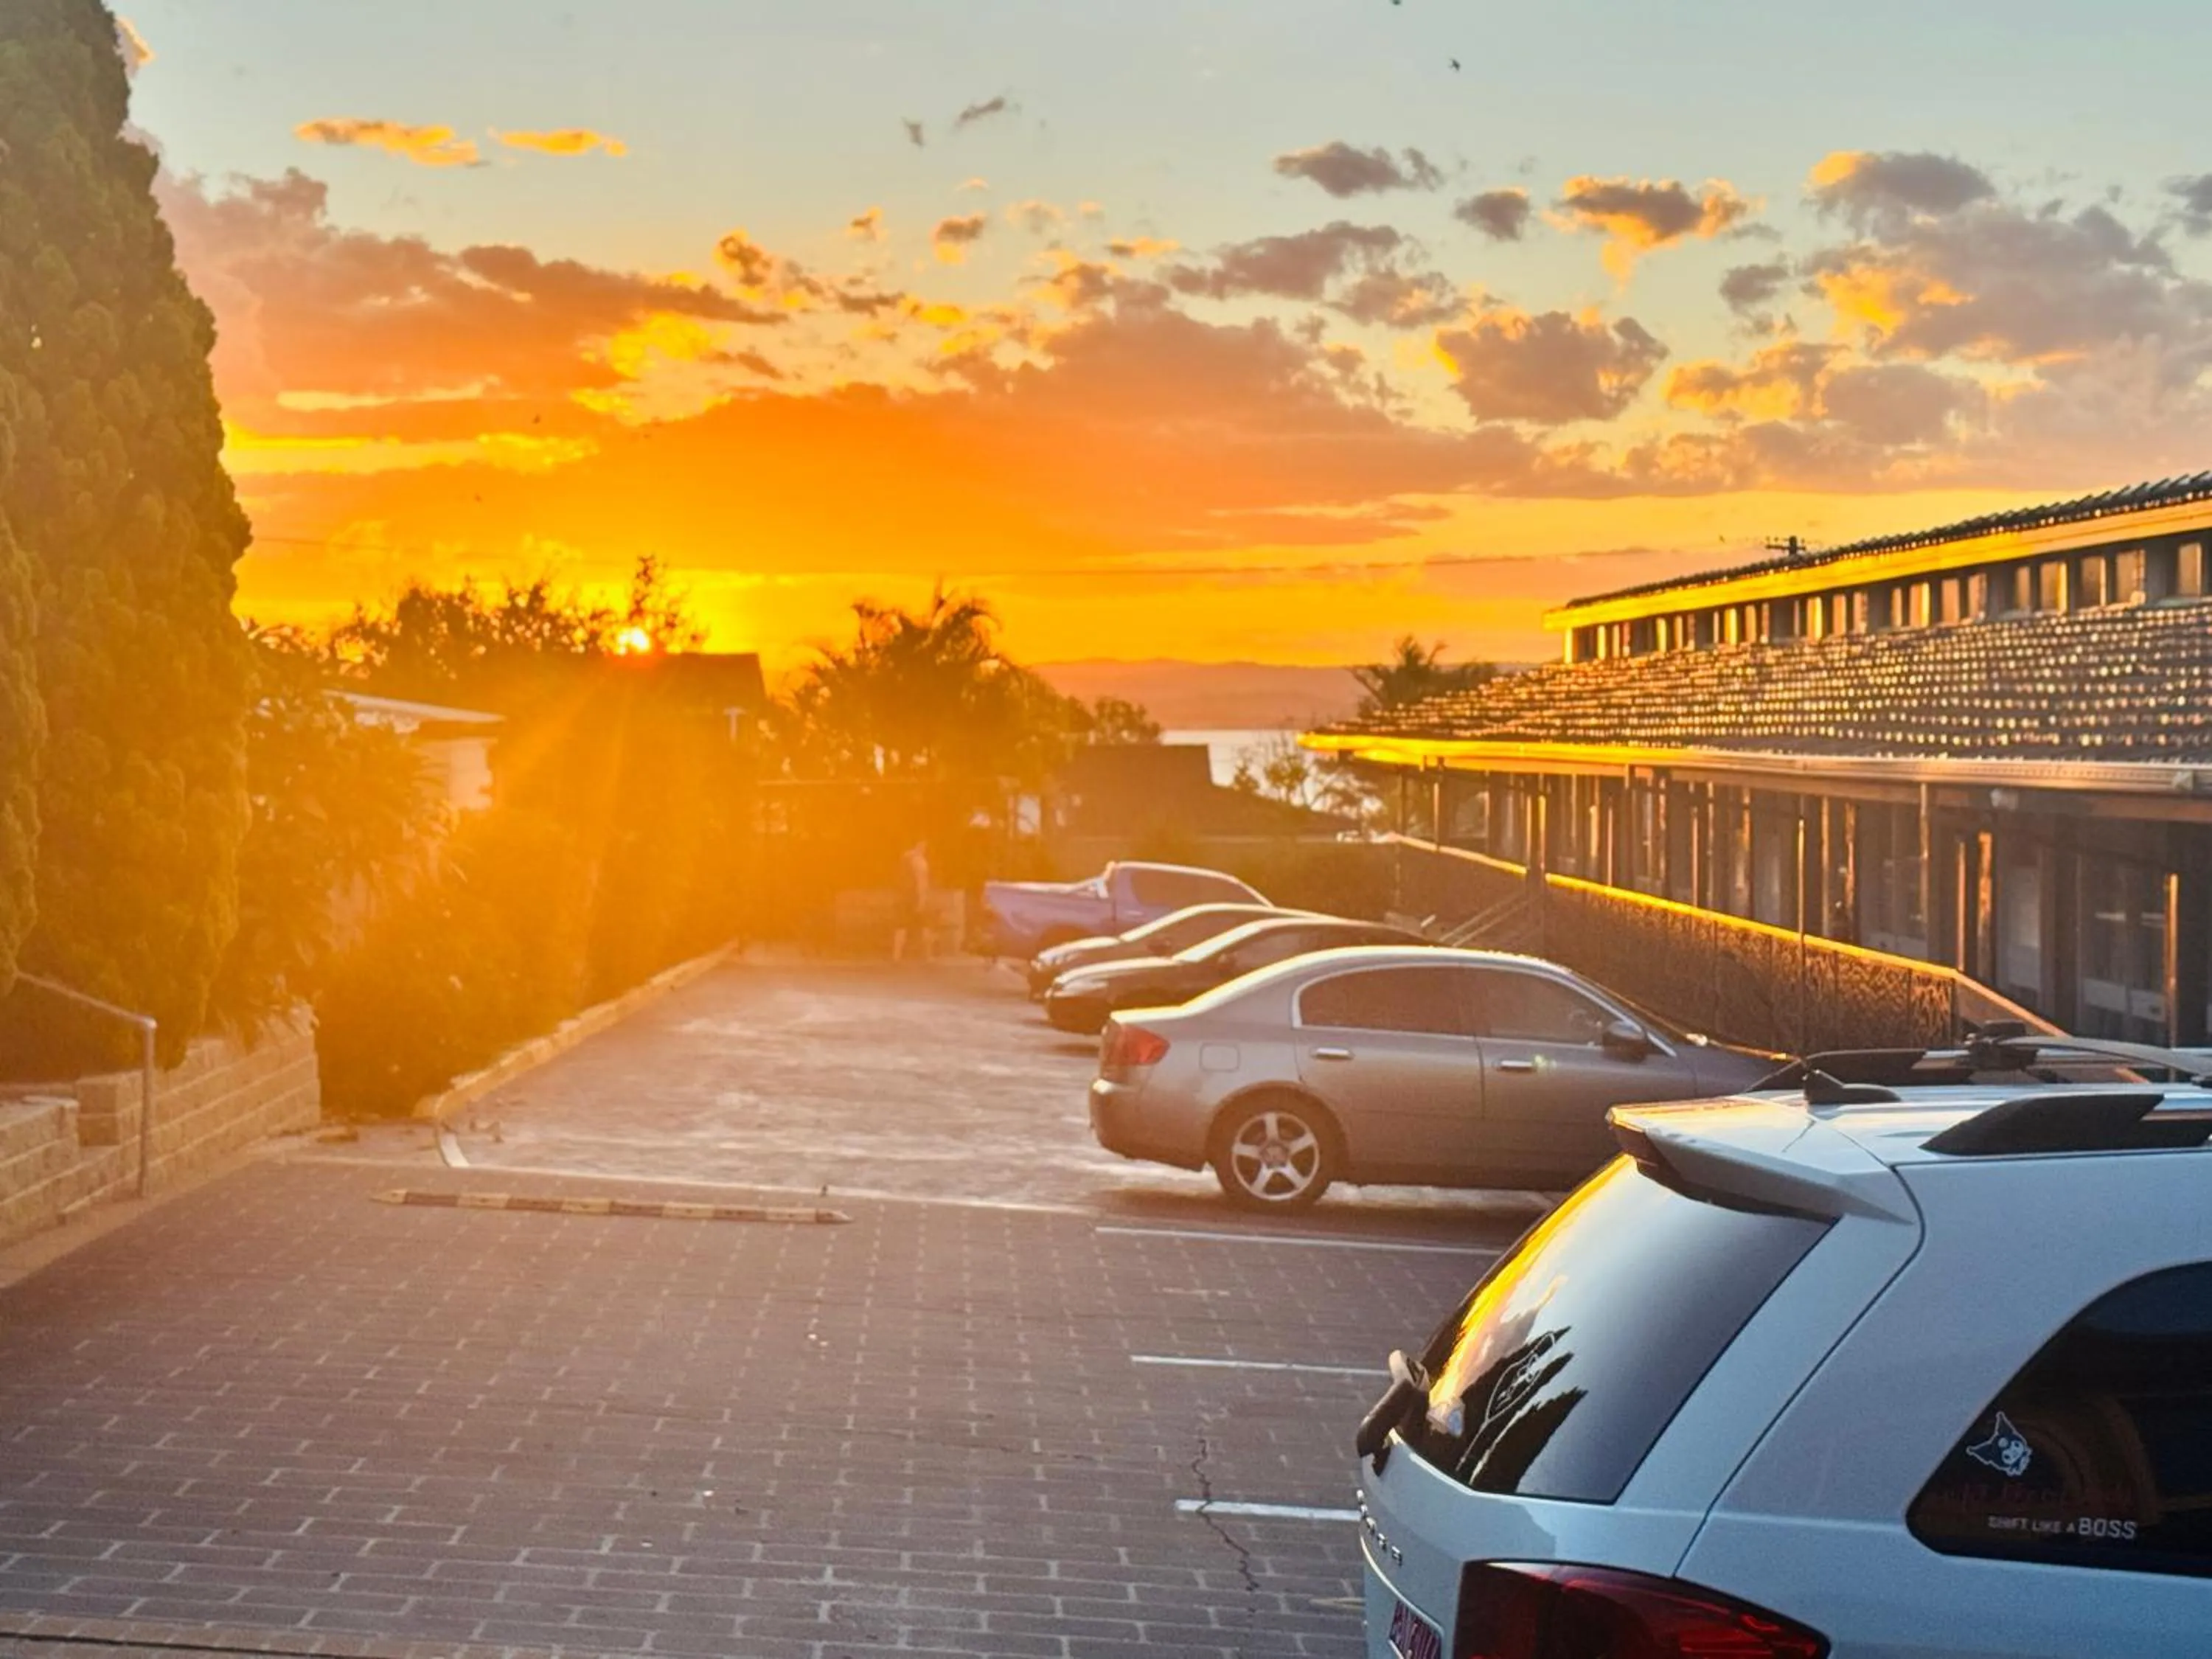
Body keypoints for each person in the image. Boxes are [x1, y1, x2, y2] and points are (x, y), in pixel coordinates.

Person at [891, 837, 931, 961]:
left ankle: (896, 956)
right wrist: (922, 900)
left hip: (902, 897)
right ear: (920, 845)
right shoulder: (920, 861)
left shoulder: (904, 858)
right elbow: (922, 882)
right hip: (915, 897)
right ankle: (928, 956)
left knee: (901, 926)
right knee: (925, 925)